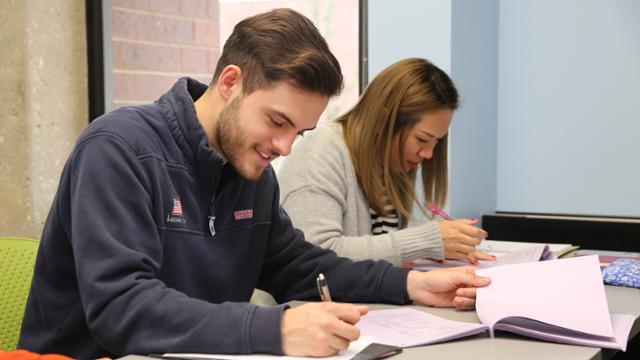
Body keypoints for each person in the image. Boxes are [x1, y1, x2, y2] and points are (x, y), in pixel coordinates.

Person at [18, 10, 490, 359]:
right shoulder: (118, 149)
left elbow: (298, 266)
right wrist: (276, 330)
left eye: (298, 133)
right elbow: (123, 307)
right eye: (276, 121)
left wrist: (411, 283)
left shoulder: (249, 167)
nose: (285, 148)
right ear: (230, 82)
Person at [278, 58, 493, 266]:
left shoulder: (388, 165)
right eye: (422, 139)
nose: (429, 154)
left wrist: (442, 248)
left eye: (436, 142)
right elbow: (315, 254)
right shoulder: (320, 149)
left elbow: (382, 250)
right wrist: (425, 242)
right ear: (384, 121)